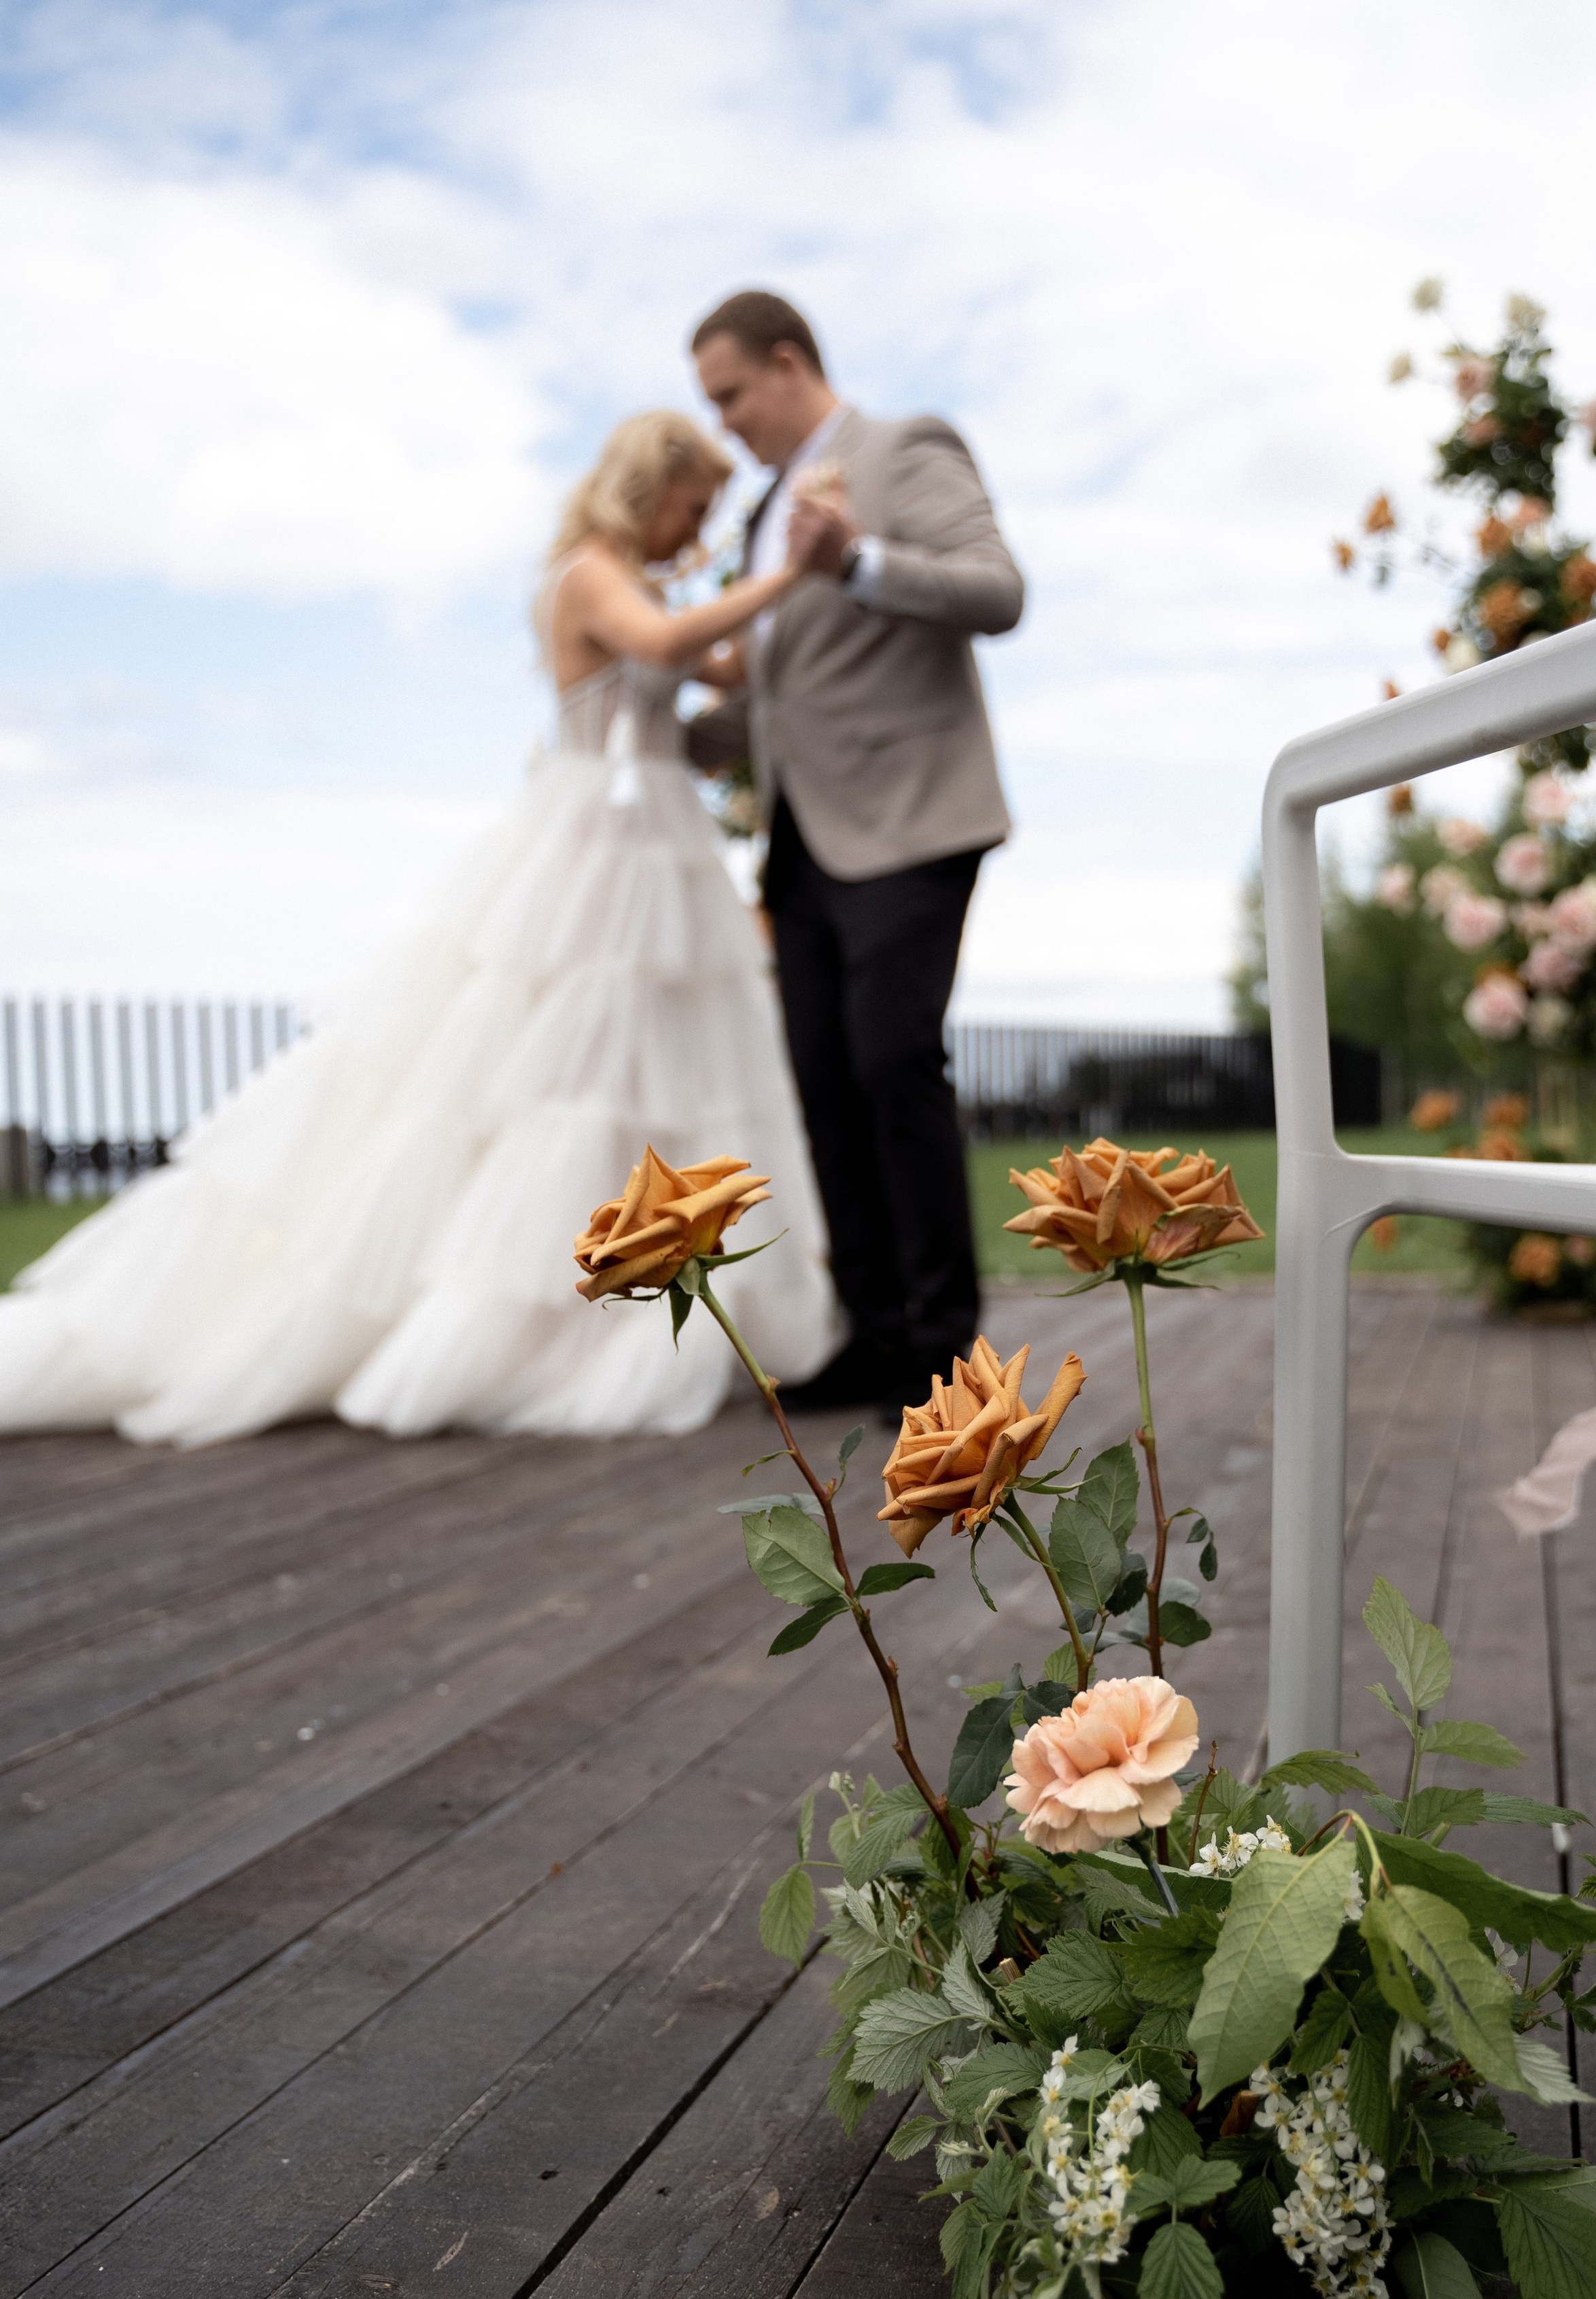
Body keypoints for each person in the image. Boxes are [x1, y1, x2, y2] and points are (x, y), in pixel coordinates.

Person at [0, 413, 839, 1444]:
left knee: (655, 1080)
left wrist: (804, 583)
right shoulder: (587, 575)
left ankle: (628, 1315)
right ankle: (555, 1328)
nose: (696, 526)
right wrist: (793, 572)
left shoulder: (642, 587)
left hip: (658, 839)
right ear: (646, 485)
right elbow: (669, 647)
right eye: (692, 503)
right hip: (598, 849)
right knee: (567, 1087)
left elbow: (725, 671)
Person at [689, 290, 1024, 1421]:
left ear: (789, 365)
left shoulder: (902, 450)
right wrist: (652, 727)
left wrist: (863, 560)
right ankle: (874, 1336)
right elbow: (781, 703)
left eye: (731, 395)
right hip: (801, 846)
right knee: (826, 1092)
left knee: (892, 1068)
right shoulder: (757, 519)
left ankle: (941, 1352)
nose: (725, 423)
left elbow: (996, 591)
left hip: (911, 821)